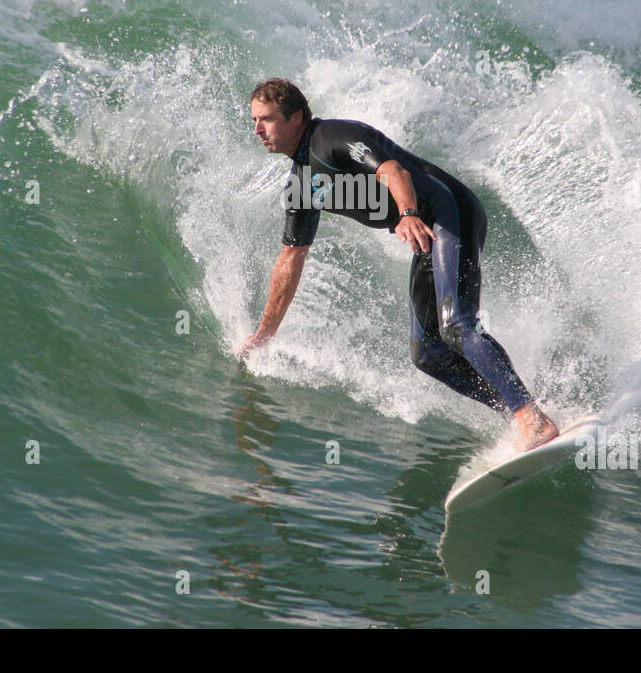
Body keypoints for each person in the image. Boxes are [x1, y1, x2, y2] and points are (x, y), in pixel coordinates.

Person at [236, 77, 560, 452]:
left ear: (295, 119)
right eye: (254, 121)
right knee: (428, 355)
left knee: (455, 322)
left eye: (267, 119)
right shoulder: (302, 185)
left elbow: (392, 170)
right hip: (425, 234)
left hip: (448, 212)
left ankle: (531, 417)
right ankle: (520, 412)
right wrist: (265, 333)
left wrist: (406, 213)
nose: (258, 130)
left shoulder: (333, 137)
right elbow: (290, 257)